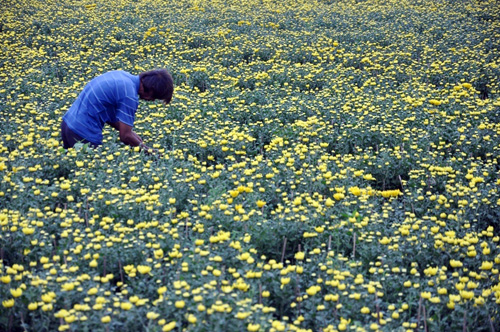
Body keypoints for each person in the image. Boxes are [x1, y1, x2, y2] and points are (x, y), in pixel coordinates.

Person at [61, 69, 174, 151]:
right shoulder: (129, 95)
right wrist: (149, 152)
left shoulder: (122, 76)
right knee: (89, 177)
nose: (152, 100)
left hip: (68, 125)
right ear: (151, 91)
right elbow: (125, 136)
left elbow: (108, 114)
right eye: (154, 97)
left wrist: (133, 135)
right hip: (83, 134)